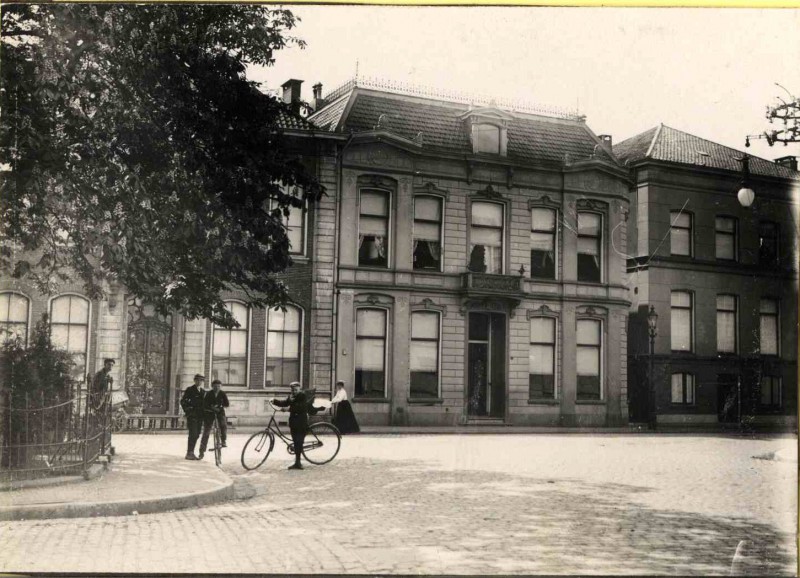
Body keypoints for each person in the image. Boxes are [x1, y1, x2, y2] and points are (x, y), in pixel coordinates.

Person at [272, 381, 322, 470]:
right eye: (292, 390)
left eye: (295, 389)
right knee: (295, 441)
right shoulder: (291, 396)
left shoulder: (303, 396)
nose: (294, 391)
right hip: (293, 422)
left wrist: (289, 409)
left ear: (299, 389)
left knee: (298, 442)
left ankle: (298, 463)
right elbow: (284, 403)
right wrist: (274, 401)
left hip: (301, 422)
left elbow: (301, 407)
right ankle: (297, 462)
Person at [198, 379, 229, 459]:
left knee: (223, 425)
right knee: (206, 432)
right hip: (209, 413)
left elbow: (227, 404)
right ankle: (202, 451)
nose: (217, 388)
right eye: (215, 386)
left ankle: (223, 441)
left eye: (219, 386)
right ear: (212, 387)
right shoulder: (208, 394)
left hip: (220, 412)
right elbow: (204, 404)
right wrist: (211, 407)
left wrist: (220, 407)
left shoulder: (222, 394)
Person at [180, 374, 206, 460]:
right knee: (193, 433)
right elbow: (183, 401)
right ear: (194, 381)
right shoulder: (190, 390)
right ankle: (189, 453)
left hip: (200, 416)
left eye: (201, 380)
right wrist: (188, 411)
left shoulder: (203, 391)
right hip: (192, 416)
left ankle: (191, 452)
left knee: (197, 434)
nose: (199, 382)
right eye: (198, 380)